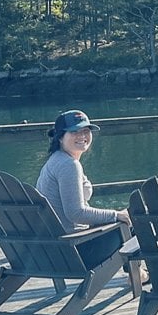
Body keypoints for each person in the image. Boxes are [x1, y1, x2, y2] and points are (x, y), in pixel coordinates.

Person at [36, 110, 131, 266]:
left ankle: (138, 274)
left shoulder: (56, 160)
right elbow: (76, 213)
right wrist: (116, 215)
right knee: (135, 223)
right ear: (60, 137)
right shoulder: (68, 165)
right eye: (74, 132)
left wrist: (116, 216)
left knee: (126, 218)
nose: (82, 136)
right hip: (76, 251)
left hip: (59, 247)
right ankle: (138, 276)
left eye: (86, 131)